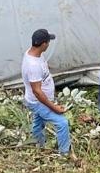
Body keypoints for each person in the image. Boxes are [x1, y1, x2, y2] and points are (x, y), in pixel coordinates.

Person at [21, 29, 72, 157]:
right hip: (38, 102)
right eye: (48, 42)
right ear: (43, 44)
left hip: (38, 100)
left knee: (39, 122)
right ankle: (64, 154)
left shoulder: (34, 53)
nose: (49, 44)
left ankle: (38, 144)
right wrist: (54, 107)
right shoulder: (33, 65)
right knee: (62, 123)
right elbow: (37, 92)